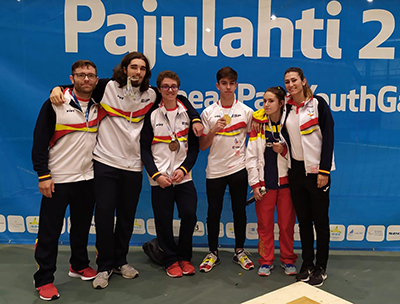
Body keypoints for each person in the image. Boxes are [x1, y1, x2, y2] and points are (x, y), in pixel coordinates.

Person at [49, 52, 203, 289]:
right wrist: (57, 88)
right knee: (104, 215)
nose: (137, 72)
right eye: (133, 67)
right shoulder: (106, 87)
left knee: (126, 218)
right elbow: (81, 85)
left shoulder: (151, 94)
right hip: (105, 162)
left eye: (142, 69)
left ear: (146, 73)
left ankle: (120, 261)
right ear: (124, 69)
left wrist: (194, 118)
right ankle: (104, 266)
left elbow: (180, 100)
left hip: (133, 166)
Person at [32, 60, 99, 300]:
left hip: (87, 178)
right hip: (58, 179)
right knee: (50, 232)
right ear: (72, 78)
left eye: (90, 75)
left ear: (96, 79)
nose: (86, 79)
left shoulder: (98, 105)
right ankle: (44, 279)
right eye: (81, 75)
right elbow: (39, 142)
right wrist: (44, 175)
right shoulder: (55, 103)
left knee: (81, 228)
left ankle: (78, 265)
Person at [140, 70, 199, 278]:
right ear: (159, 89)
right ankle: (171, 260)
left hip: (183, 177)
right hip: (161, 179)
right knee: (163, 220)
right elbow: (144, 149)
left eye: (174, 86)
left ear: (178, 88)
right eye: (165, 87)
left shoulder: (188, 113)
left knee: (189, 216)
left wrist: (183, 170)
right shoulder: (152, 114)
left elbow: (194, 148)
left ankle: (184, 257)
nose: (170, 90)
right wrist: (155, 175)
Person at [198, 67, 254, 272]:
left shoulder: (247, 112)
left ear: (236, 85)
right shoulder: (208, 113)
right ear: (217, 86)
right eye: (224, 83)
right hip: (215, 170)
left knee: (239, 211)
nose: (228, 87)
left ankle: (239, 250)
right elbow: (203, 145)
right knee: (214, 212)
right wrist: (213, 130)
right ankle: (212, 252)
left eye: (232, 83)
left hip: (239, 168)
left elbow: (254, 141)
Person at [282, 67, 335, 287]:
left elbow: (329, 136)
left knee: (320, 222)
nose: (291, 84)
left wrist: (324, 170)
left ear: (303, 81)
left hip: (317, 173)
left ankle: (321, 267)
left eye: (294, 80)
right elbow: (270, 119)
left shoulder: (318, 104)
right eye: (287, 81)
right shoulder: (286, 107)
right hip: (295, 172)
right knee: (303, 222)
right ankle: (307, 263)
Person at [245, 86, 298, 277]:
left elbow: (300, 154)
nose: (266, 105)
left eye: (271, 101)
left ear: (281, 102)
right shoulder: (258, 123)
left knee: (286, 226)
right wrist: (255, 184)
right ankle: (266, 261)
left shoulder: (290, 124)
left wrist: (283, 151)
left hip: (286, 185)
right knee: (265, 225)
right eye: (264, 101)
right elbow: (250, 156)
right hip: (264, 186)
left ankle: (288, 259)